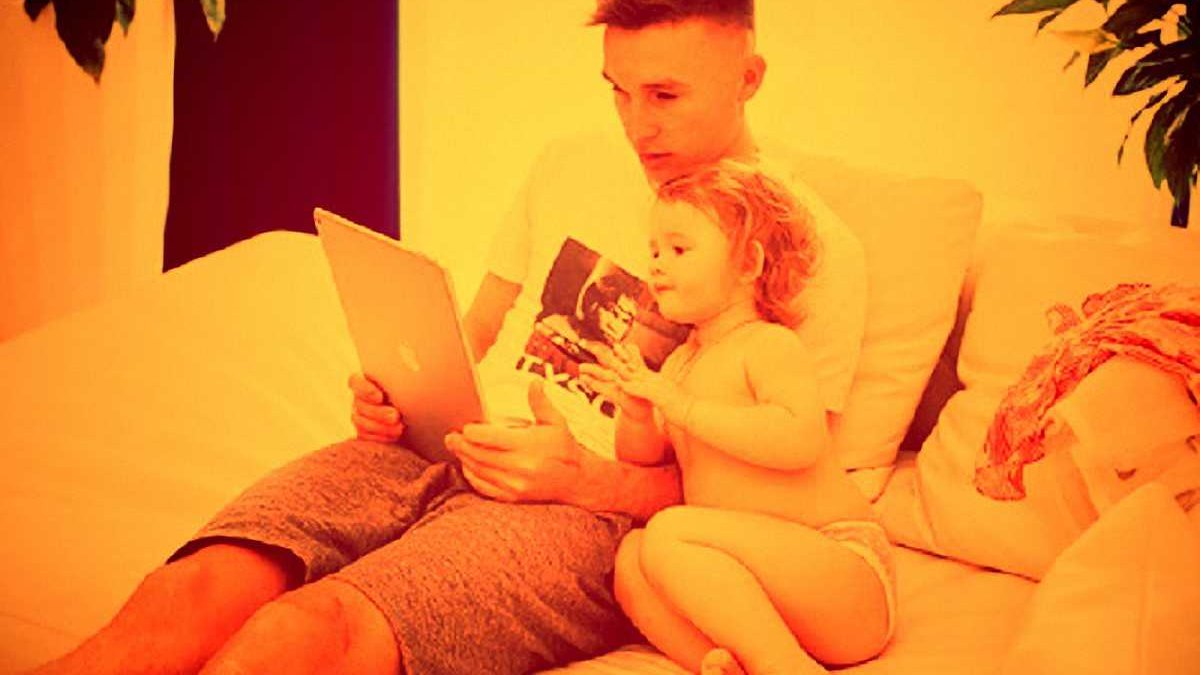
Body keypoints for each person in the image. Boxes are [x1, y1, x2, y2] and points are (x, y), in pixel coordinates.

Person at [30, 1, 866, 673]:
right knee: (201, 583)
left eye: (665, 96)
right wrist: (406, 385)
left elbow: (773, 497)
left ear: (748, 77)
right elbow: (481, 325)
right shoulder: (567, 160)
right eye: (617, 90)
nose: (635, 126)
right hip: (442, 437)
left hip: (578, 509)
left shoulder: (804, 246)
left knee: (312, 629)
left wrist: (590, 480)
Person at [580, 160, 892, 675]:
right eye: (654, 250)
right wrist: (636, 413)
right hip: (764, 592)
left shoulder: (766, 346)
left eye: (679, 250)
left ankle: (785, 668)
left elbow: (800, 440)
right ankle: (722, 663)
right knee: (633, 556)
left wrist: (680, 406)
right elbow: (645, 458)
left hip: (842, 572)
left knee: (670, 531)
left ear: (748, 265)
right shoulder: (679, 364)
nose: (657, 265)